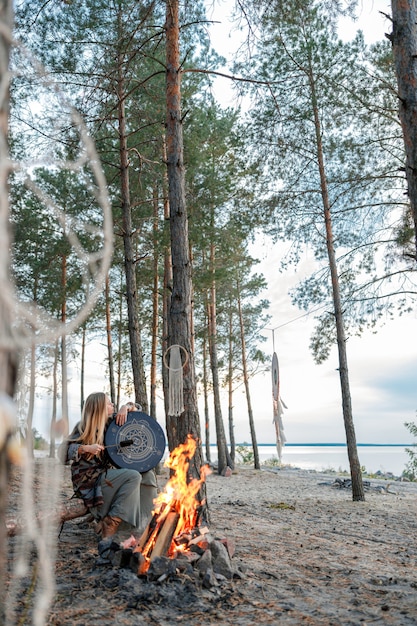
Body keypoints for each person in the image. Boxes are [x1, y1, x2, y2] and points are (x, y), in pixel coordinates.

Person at [61, 392, 157, 540]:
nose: (112, 405)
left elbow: (138, 411)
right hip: (90, 482)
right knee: (133, 476)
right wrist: (84, 448)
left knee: (147, 474)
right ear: (99, 408)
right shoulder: (83, 427)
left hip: (107, 475)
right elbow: (62, 453)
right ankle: (112, 523)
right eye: (109, 403)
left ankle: (144, 525)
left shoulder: (112, 422)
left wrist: (127, 407)